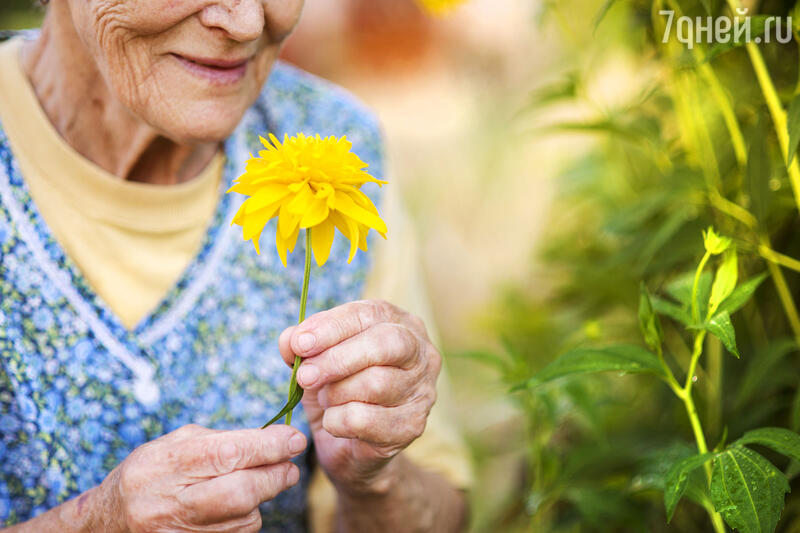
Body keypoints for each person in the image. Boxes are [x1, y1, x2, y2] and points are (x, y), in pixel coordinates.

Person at [0, 1, 471, 531]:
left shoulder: (337, 143)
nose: (247, 22)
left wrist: (376, 481)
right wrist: (91, 524)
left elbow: (444, 509)